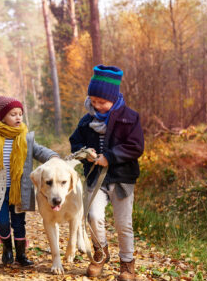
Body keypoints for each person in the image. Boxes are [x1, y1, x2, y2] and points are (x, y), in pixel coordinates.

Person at [69, 65, 144, 280]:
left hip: (122, 179)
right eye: (93, 101)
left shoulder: (130, 118)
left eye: (102, 102)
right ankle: (100, 254)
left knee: (123, 224)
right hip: (95, 179)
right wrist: (85, 153)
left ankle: (127, 265)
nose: (97, 106)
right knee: (93, 216)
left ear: (113, 98)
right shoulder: (86, 121)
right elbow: (75, 143)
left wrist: (109, 157)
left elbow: (136, 146)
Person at [0, 95, 58, 266]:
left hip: (19, 189)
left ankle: (21, 255)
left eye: (20, 114)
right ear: (2, 117)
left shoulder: (25, 137)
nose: (18, 117)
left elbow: (39, 151)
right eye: (13, 114)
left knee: (19, 223)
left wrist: (53, 156)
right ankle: (7, 249)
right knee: (2, 222)